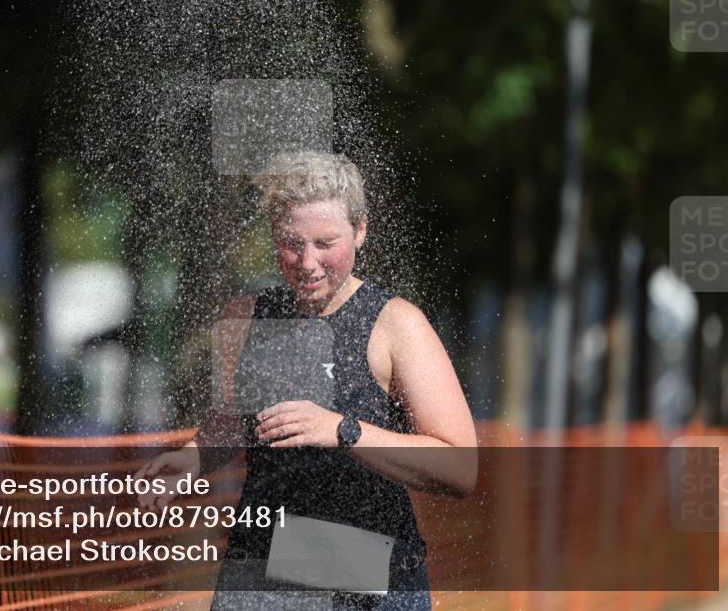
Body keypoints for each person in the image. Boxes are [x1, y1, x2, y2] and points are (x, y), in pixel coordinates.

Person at [138, 151, 477, 610]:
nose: (307, 262)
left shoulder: (395, 325)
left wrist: (343, 430)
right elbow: (233, 426)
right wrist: (193, 459)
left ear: (360, 230)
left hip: (369, 571)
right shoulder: (246, 317)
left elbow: (460, 467)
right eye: (291, 242)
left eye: (325, 242)